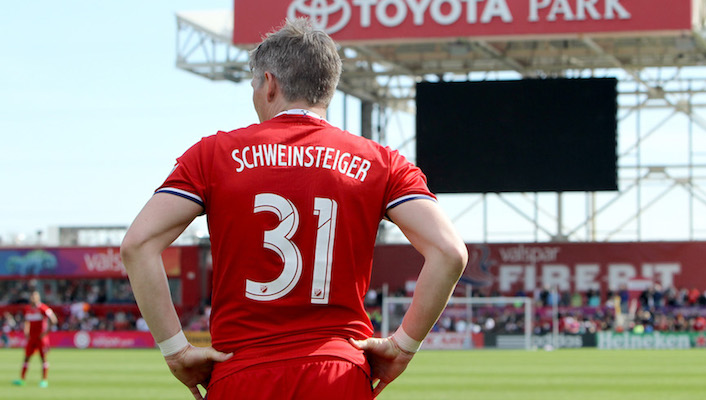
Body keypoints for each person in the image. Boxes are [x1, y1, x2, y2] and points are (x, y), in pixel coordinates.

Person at [121, 18, 467, 400]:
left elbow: (138, 244)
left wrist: (175, 350)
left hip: (242, 371)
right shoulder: (381, 161)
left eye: (254, 84)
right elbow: (450, 252)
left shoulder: (212, 155)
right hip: (339, 373)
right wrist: (403, 345)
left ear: (269, 84)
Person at [13, 291, 58, 388]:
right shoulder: (27, 309)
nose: (32, 299)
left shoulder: (43, 308)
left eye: (34, 297)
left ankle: (44, 380)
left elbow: (53, 320)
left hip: (40, 338)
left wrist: (45, 333)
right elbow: (26, 321)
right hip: (31, 338)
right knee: (26, 357)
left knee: (43, 358)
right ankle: (22, 379)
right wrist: (26, 330)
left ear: (38, 298)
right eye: (31, 297)